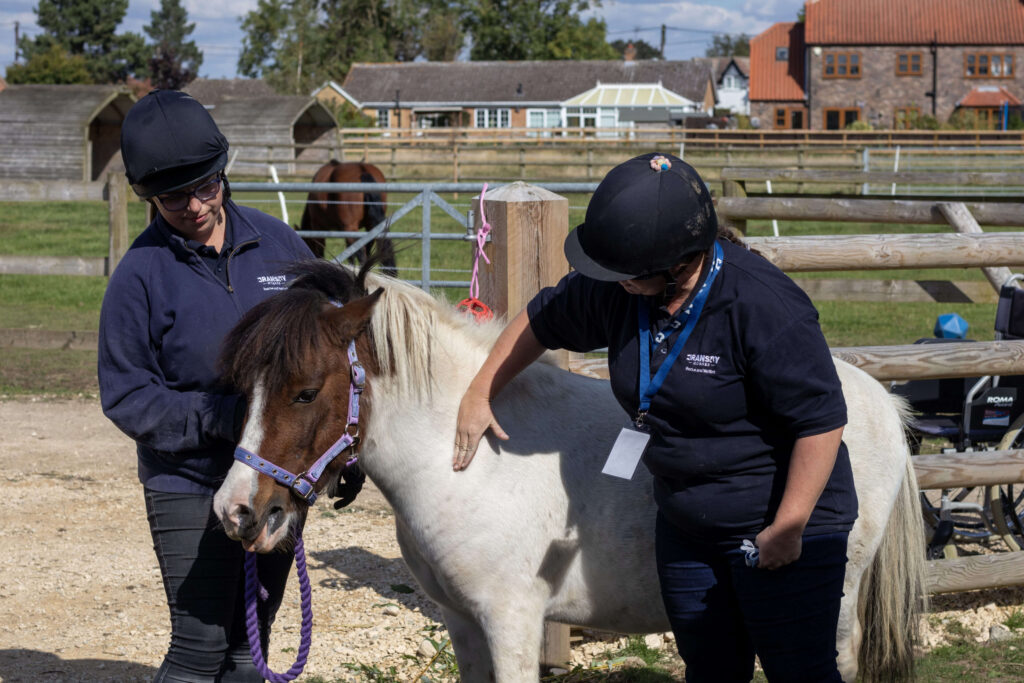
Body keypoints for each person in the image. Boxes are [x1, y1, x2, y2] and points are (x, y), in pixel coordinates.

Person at [453, 152, 857, 682]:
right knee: (710, 671)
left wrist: (788, 525)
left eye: (626, 275)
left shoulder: (763, 306)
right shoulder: (624, 290)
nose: (612, 283)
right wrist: (480, 391)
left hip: (777, 523)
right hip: (687, 524)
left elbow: (820, 421)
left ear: (676, 264)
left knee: (799, 672)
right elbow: (542, 318)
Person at [98, 90, 316, 682]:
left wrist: (339, 456)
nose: (195, 205)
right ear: (149, 195)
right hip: (187, 480)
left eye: (207, 186)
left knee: (252, 646)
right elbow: (125, 394)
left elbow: (327, 359)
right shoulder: (139, 275)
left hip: (273, 475)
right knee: (198, 649)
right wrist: (221, 419)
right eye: (173, 197)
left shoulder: (280, 247)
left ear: (223, 173)